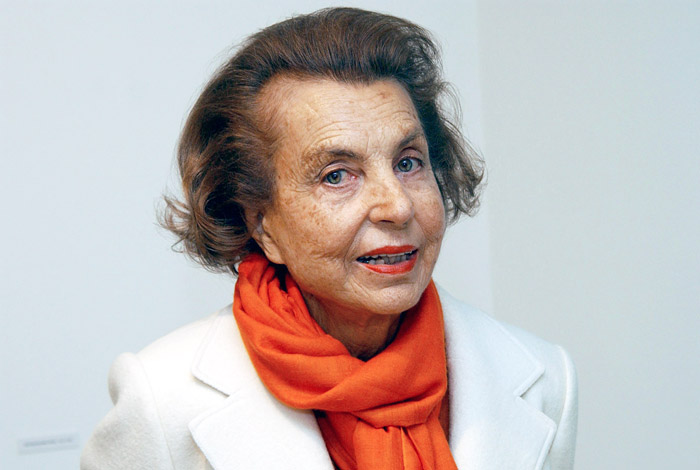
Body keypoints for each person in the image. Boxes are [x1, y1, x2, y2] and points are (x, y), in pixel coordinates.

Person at [81, 7, 577, 470]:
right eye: (337, 175)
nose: (397, 206)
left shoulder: (545, 378)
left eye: (408, 163)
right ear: (261, 223)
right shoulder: (162, 399)